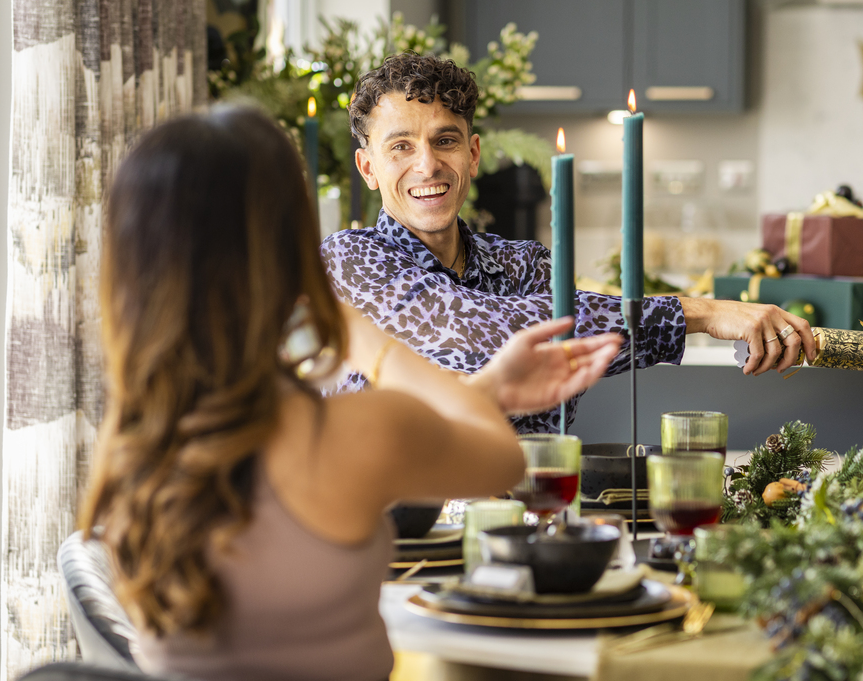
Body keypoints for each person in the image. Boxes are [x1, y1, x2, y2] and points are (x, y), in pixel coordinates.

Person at [78, 106, 621, 681]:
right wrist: (371, 341)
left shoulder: (132, 449)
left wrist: (489, 385)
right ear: (286, 249)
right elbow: (497, 460)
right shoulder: (342, 434)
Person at [322, 53, 817, 433]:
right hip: (388, 533)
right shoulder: (348, 260)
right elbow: (471, 330)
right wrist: (702, 313)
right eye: (401, 147)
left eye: (445, 141)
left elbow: (554, 396)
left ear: (472, 155)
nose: (427, 165)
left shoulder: (525, 265)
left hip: (520, 519)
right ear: (369, 168)